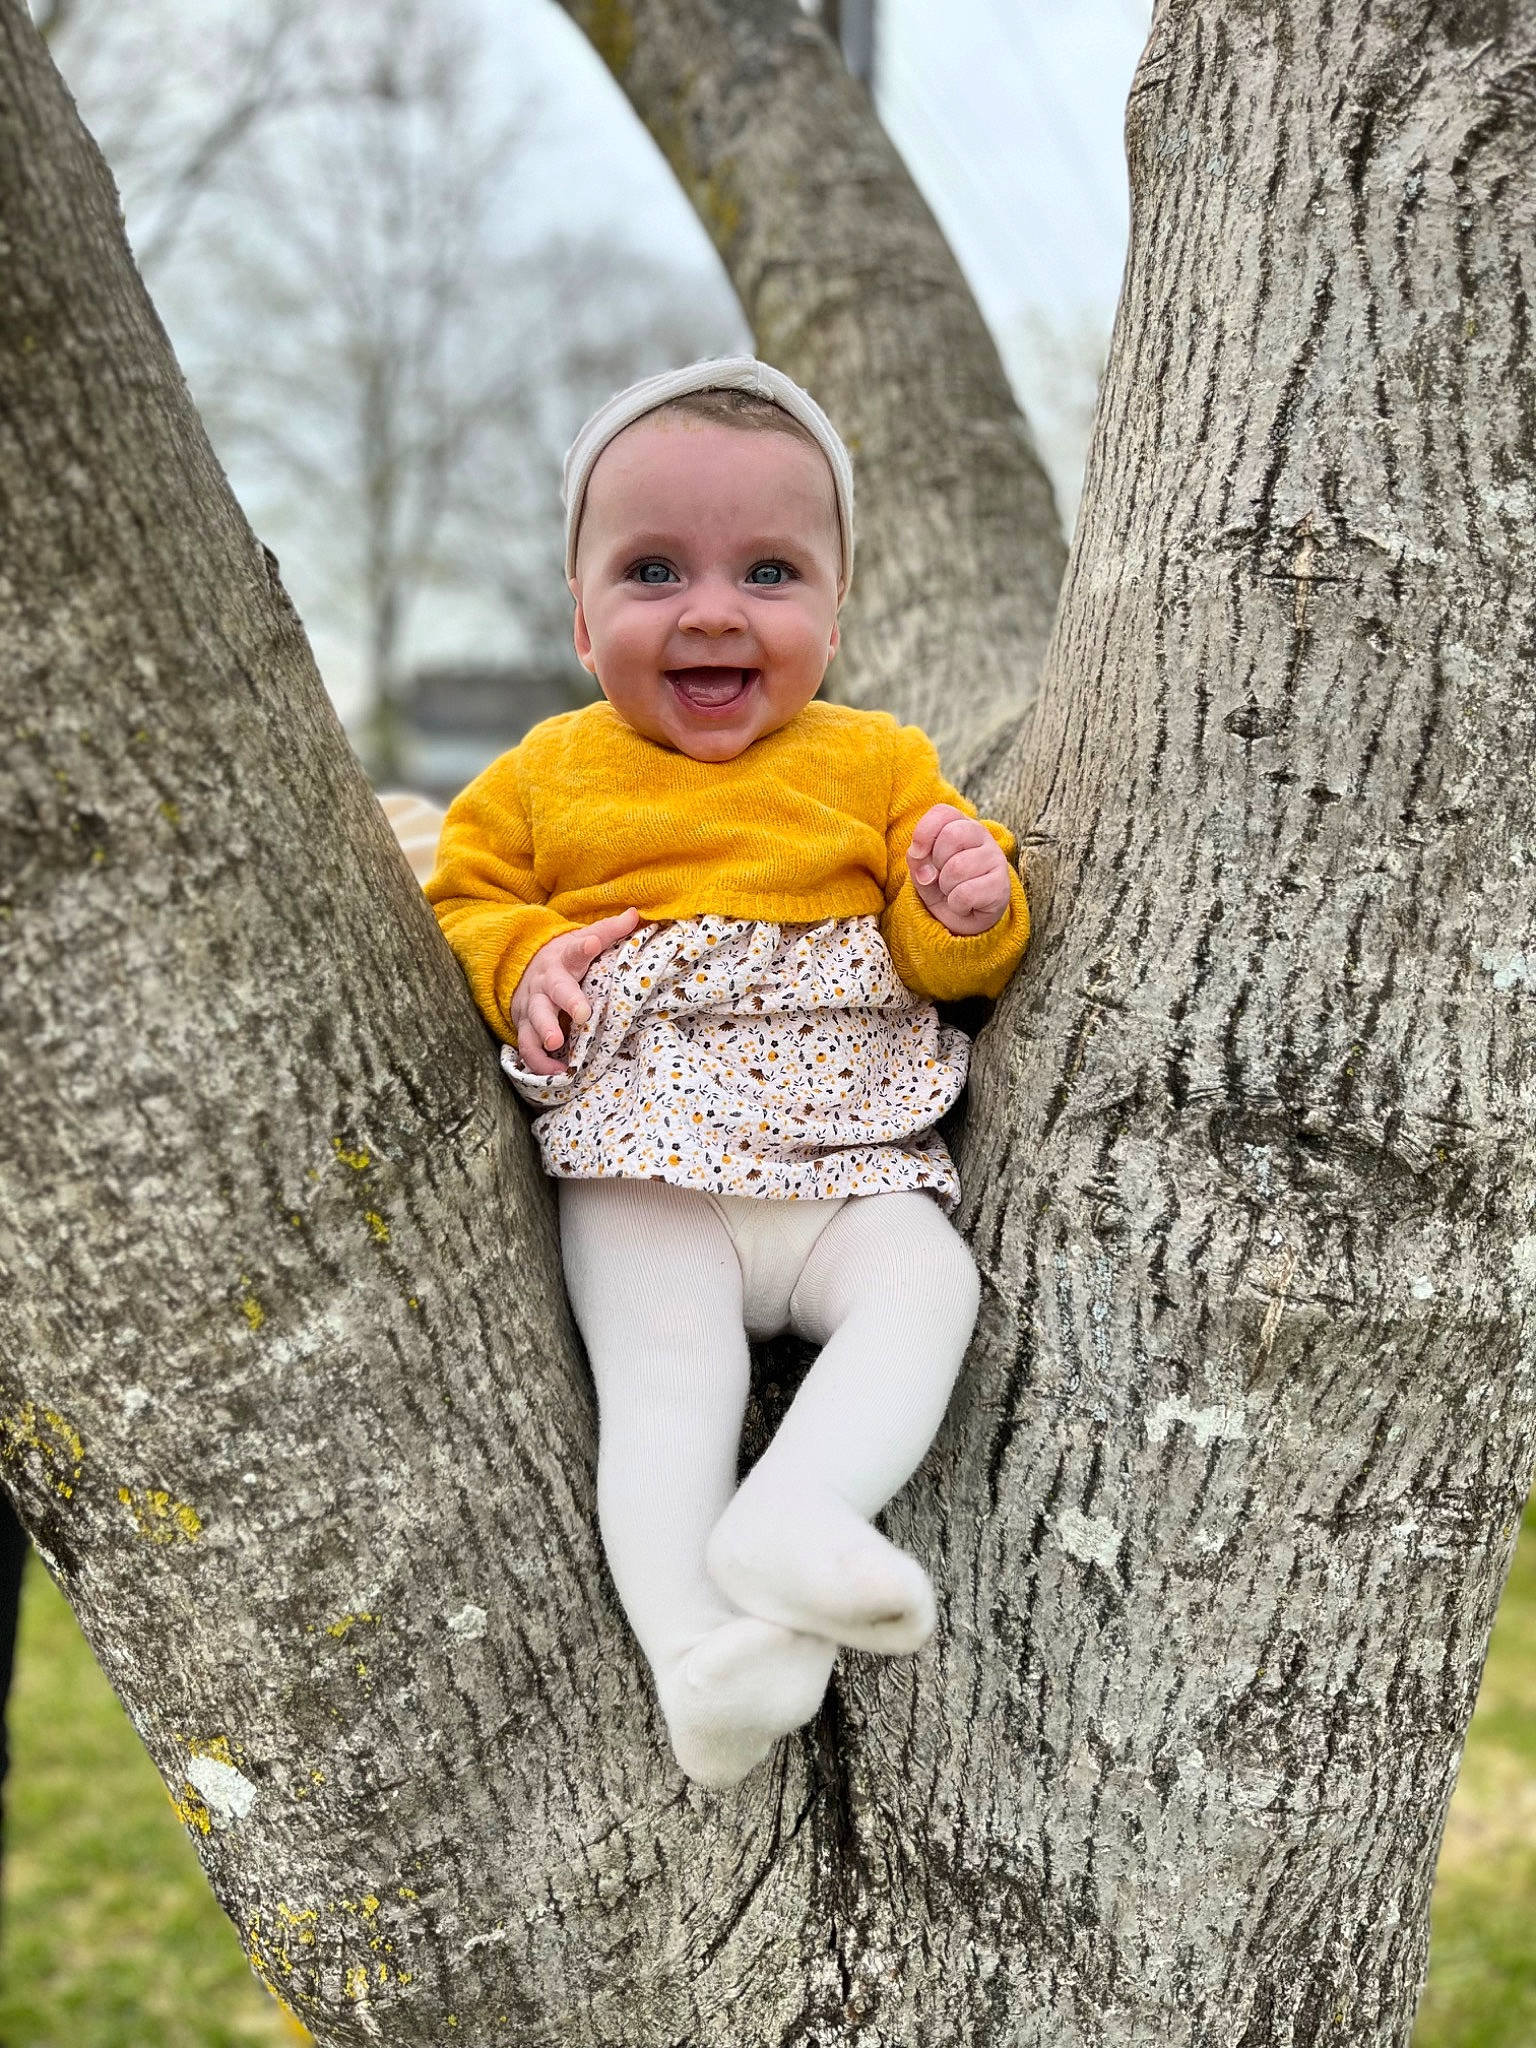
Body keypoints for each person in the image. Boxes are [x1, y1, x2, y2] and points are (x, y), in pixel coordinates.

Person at [425, 358, 1030, 1787]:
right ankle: (699, 1658)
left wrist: (961, 905)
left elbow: (965, 963)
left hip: (846, 1157)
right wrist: (530, 962)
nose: (710, 610)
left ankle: (800, 1513)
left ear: (834, 608)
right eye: (651, 571)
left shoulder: (880, 764)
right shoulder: (543, 776)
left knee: (929, 1286)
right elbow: (463, 902)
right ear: (581, 620)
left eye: (768, 570)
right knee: (666, 1385)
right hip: (651, 1155)